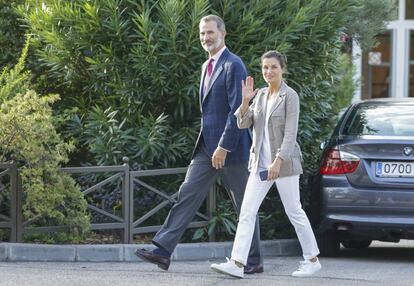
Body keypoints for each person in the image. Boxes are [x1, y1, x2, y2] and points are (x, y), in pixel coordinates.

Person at [135, 15, 263, 274]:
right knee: (187, 194)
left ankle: (253, 260)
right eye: (202, 34)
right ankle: (163, 250)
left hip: (232, 149)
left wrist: (224, 146)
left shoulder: (233, 64)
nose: (205, 38)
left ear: (223, 33)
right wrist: (214, 146)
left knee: (244, 206)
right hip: (206, 147)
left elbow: (237, 109)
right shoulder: (207, 66)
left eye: (210, 33)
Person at [210, 51, 321, 278]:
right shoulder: (260, 95)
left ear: (282, 69)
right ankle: (238, 263)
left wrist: (278, 162)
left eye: (273, 67)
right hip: (259, 165)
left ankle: (312, 259)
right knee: (247, 212)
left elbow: (290, 135)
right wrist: (244, 102)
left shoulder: (290, 96)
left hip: (284, 166)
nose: (268, 71)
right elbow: (243, 123)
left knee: (294, 211)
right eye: (265, 68)